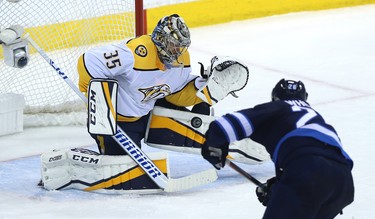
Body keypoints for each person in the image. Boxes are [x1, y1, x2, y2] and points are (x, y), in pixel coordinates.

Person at [76, 14, 248, 155]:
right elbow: (88, 62)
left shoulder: (182, 60)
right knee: (125, 168)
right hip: (118, 123)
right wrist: (98, 99)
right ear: (159, 39)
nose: (177, 52)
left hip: (148, 115)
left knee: (199, 110)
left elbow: (174, 93)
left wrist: (204, 91)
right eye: (173, 45)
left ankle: (224, 140)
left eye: (180, 47)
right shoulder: (137, 53)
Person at [202, 79, 354, 219]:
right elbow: (322, 167)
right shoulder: (317, 119)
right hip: (343, 184)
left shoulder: (279, 108)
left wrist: (214, 145)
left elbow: (225, 125)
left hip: (306, 170)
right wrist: (278, 187)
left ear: (275, 98)